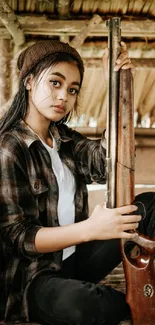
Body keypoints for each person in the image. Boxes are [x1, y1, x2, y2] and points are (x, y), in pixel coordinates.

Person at [0, 40, 155, 325]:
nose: (64, 96)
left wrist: (118, 85)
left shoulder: (65, 139)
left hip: (73, 261)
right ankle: (137, 301)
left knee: (151, 206)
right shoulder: (9, 148)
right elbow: (18, 237)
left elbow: (107, 163)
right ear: (29, 82)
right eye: (55, 83)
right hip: (32, 279)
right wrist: (92, 229)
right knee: (91, 306)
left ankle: (144, 289)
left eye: (72, 90)